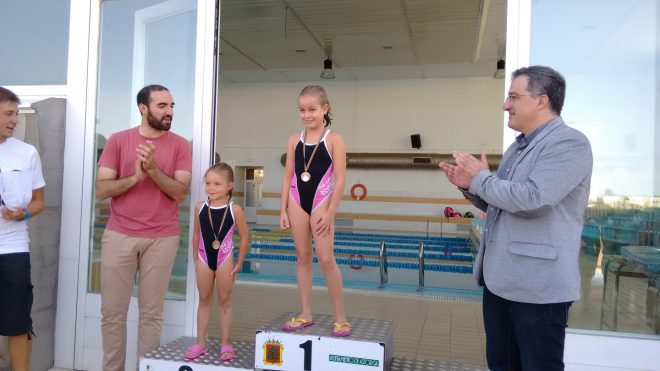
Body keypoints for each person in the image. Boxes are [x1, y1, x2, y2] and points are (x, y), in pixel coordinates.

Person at [439, 66, 593, 370]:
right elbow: (502, 202)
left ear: (541, 100)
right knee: (501, 364)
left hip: (538, 289)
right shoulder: (517, 149)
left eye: (513, 97)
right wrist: (468, 185)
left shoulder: (568, 143)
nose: (505, 105)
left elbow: (533, 200)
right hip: (501, 283)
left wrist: (481, 177)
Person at [96, 84, 192, 370]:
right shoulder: (118, 140)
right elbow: (101, 190)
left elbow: (179, 192)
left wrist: (151, 169)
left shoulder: (179, 145)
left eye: (172, 106)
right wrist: (133, 178)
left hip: (162, 238)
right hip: (119, 234)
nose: (169, 111)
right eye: (162, 106)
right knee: (112, 313)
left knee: (151, 315)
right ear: (143, 108)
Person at [279, 85, 350, 337]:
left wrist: (331, 212)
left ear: (324, 109)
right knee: (302, 256)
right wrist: (282, 210)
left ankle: (340, 317)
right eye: (302, 110)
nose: (307, 115)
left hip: (322, 202)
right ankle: (305, 312)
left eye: (312, 109)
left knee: (327, 258)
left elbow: (340, 180)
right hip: (297, 201)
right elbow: (288, 176)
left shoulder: (334, 140)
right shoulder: (293, 141)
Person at [0, 86, 46, 371]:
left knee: (18, 323)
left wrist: (24, 213)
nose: (14, 119)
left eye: (16, 114)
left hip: (13, 250)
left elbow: (40, 201)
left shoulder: (27, 153)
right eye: (8, 113)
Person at [184, 162, 249, 361]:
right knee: (204, 300)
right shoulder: (199, 208)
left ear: (229, 185)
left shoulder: (234, 209)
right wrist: (195, 257)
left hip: (225, 258)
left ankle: (226, 344)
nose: (211, 188)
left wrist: (239, 262)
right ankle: (201, 343)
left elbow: (245, 236)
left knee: (224, 302)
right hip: (204, 257)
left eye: (217, 184)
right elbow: (196, 234)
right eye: (208, 183)